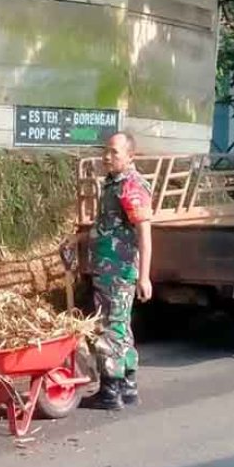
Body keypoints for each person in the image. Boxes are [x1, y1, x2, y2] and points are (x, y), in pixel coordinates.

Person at [85, 131, 153, 410]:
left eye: (114, 152)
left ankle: (110, 391)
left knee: (110, 328)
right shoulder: (113, 183)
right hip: (107, 269)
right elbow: (107, 225)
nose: (107, 157)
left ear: (130, 156)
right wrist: (77, 239)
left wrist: (145, 276)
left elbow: (144, 235)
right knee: (121, 327)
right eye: (106, 151)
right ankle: (128, 386)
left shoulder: (131, 187)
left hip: (119, 271)